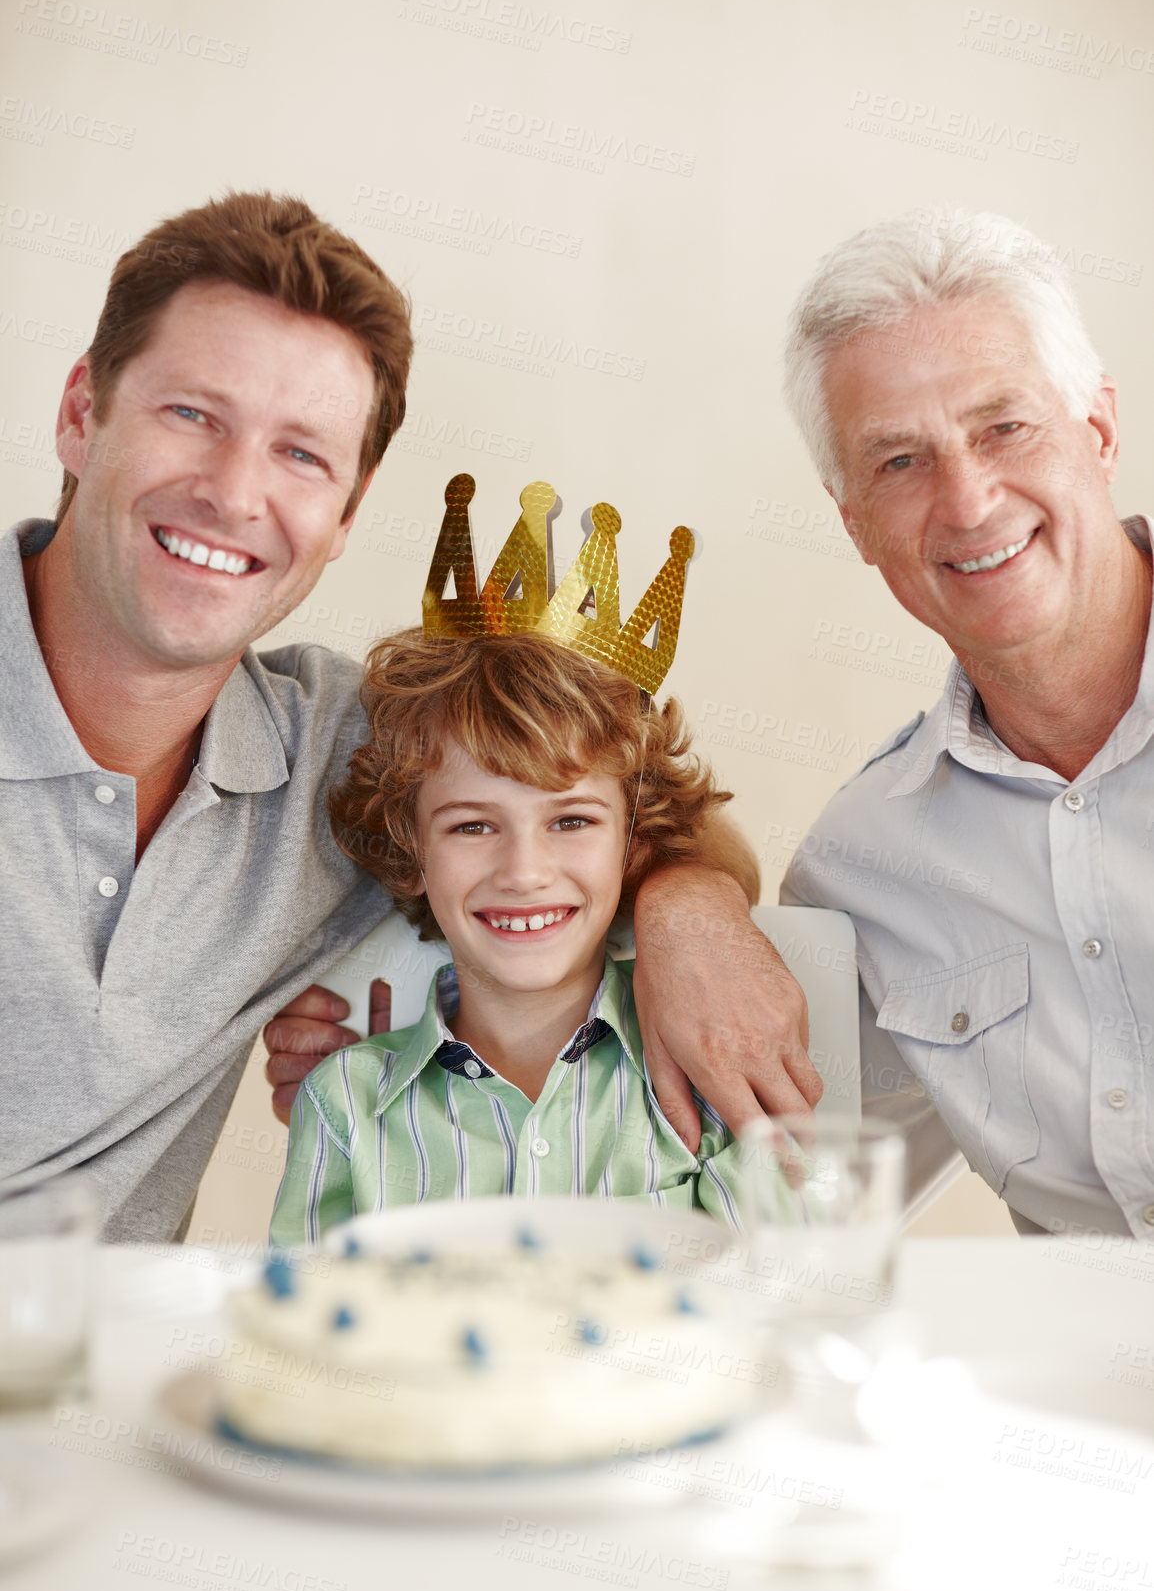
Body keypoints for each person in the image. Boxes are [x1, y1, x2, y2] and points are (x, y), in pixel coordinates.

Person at [2, 189, 817, 1242]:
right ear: (80, 414)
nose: (235, 492)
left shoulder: (334, 750)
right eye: (193, 414)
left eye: (301, 453)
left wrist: (687, 910)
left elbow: (620, 800)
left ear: (346, 511)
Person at [781, 206, 1154, 1238]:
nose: (968, 498)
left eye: (1002, 426)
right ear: (852, 519)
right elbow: (790, 1217)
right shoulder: (860, 870)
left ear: (1098, 428)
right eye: (898, 461)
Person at [271, 630, 762, 1242]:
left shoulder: (712, 1067)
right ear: (411, 849)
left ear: (632, 844)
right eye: (473, 826)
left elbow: (776, 1308)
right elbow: (306, 1323)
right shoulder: (343, 1104)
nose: (524, 872)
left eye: (572, 820)